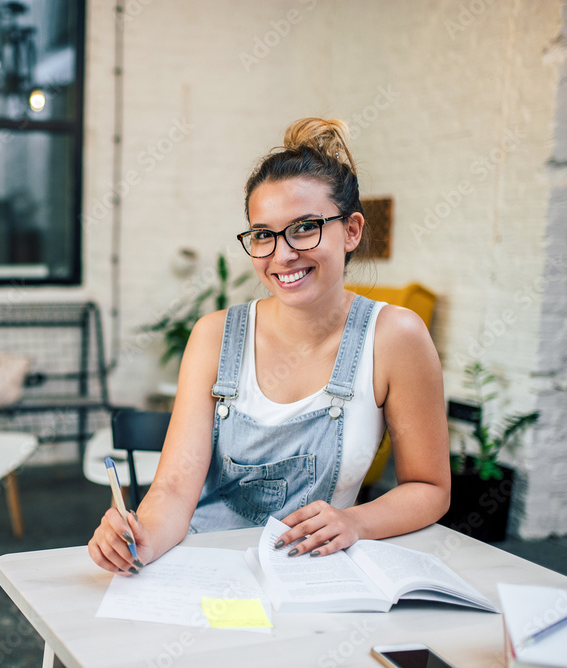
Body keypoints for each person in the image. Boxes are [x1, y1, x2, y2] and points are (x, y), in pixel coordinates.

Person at [89, 118, 450, 574]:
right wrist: (140, 540)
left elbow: (429, 487)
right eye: (263, 234)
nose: (282, 255)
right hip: (204, 571)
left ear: (352, 230)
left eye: (304, 228)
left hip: (315, 576)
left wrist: (355, 521)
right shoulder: (214, 336)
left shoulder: (395, 337)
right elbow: (175, 491)